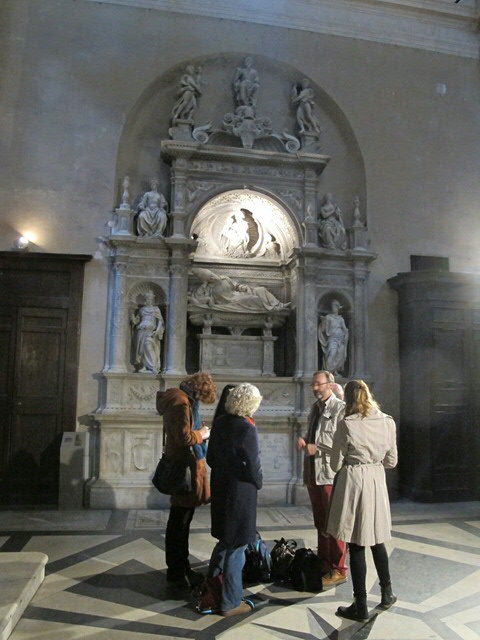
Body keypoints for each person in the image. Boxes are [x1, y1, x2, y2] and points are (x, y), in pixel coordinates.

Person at [326, 380, 398, 622]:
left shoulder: (347, 424)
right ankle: (387, 593)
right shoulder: (387, 421)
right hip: (377, 481)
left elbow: (335, 464)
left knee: (356, 544)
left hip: (355, 480)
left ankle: (360, 604)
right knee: (377, 540)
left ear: (347, 399)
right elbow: (392, 461)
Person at [206, 383, 263, 616]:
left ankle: (210, 589)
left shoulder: (220, 422)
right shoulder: (246, 427)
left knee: (224, 541)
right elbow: (252, 463)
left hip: (221, 487)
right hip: (241, 492)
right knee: (238, 545)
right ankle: (230, 601)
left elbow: (210, 458)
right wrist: (258, 481)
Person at [156, 372, 217, 590]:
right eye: (202, 397)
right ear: (198, 391)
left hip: (184, 465)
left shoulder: (178, 399)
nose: (200, 402)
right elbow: (184, 437)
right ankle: (176, 571)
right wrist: (202, 434)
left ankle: (181, 567)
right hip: (184, 468)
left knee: (182, 521)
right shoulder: (181, 403)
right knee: (179, 523)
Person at [296, 370, 347, 587]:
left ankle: (339, 567)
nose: (315, 388)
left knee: (333, 521)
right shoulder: (315, 409)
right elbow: (314, 435)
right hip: (313, 471)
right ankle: (325, 561)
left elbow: (342, 443)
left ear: (330, 384)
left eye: (318, 384)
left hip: (329, 473)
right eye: (313, 385)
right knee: (320, 521)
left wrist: (316, 448)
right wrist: (306, 442)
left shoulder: (340, 409)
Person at [131, 291, 164, 373]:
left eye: (150, 299)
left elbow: (160, 321)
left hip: (150, 331)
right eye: (147, 299)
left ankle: (153, 367)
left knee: (148, 346)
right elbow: (137, 320)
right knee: (141, 350)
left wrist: (157, 330)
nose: (148, 300)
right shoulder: (142, 309)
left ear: (152, 300)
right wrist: (133, 319)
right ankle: (144, 366)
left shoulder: (156, 309)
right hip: (141, 330)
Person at [318, 299, 349, 375]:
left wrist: (345, 335)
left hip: (340, 340)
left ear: (338, 308)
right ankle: (328, 372)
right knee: (332, 353)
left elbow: (345, 329)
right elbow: (324, 329)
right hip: (332, 339)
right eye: (332, 306)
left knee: (339, 355)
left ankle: (334, 371)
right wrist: (323, 322)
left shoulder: (341, 319)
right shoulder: (328, 317)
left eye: (335, 306)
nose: (333, 308)